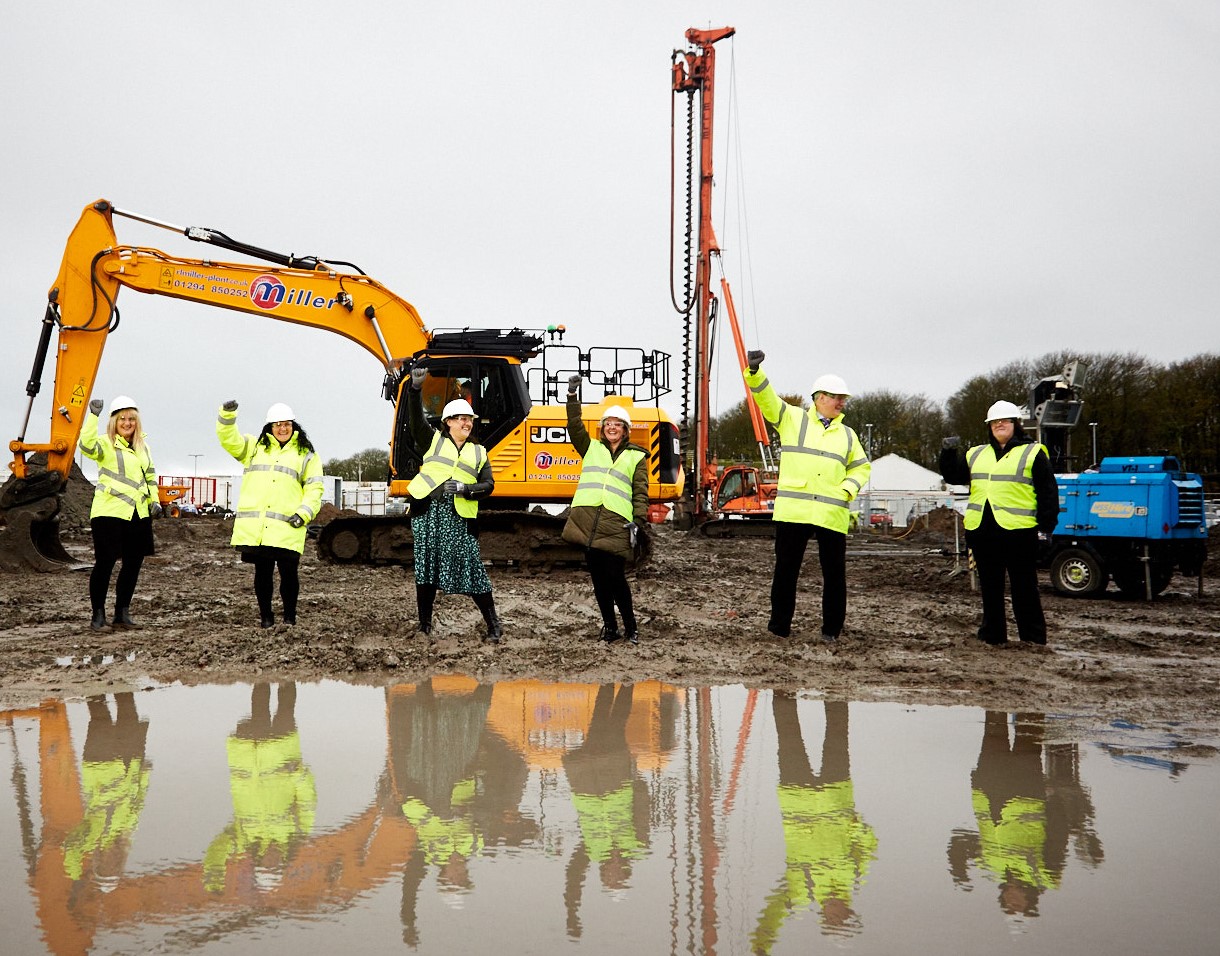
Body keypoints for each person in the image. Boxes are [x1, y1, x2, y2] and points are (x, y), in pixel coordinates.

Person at [743, 351, 871, 641]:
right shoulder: (792, 418)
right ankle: (779, 629)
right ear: (819, 397)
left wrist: (848, 488)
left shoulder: (848, 435)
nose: (841, 402)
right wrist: (754, 373)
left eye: (843, 398)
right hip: (795, 512)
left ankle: (831, 631)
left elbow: (861, 467)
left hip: (831, 514)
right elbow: (766, 399)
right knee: (786, 572)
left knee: (835, 577)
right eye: (836, 397)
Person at [939, 400, 1059, 645]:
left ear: (1016, 423)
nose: (999, 424)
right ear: (989, 426)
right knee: (991, 589)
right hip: (983, 530)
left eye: (1004, 420)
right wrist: (948, 454)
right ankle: (993, 635)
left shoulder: (1033, 452)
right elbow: (954, 477)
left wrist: (1046, 530)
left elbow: (1048, 493)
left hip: (1019, 532)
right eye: (995, 421)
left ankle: (1033, 639)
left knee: (1024, 588)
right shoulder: (976, 453)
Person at [406, 368, 501, 642]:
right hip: (429, 514)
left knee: (473, 570)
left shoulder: (479, 452)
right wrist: (415, 390)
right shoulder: (432, 440)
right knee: (426, 571)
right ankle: (424, 624)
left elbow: (489, 485)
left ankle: (493, 624)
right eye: (460, 419)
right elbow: (415, 420)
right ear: (447, 422)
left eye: (468, 419)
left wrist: (465, 489)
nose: (466, 423)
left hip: (460, 518)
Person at [216, 400, 323, 627]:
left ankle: (289, 619)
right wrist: (227, 415)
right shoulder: (254, 448)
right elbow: (229, 439)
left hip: (288, 526)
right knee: (262, 573)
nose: (282, 429)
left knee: (289, 574)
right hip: (260, 529)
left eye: (286, 424)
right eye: (277, 425)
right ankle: (266, 618)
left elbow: (315, 489)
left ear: (293, 426)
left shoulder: (306, 455)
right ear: (269, 427)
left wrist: (303, 514)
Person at [561, 375, 650, 644]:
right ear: (602, 428)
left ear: (625, 429)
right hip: (589, 523)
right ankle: (610, 628)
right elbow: (574, 426)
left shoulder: (636, 456)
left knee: (617, 580)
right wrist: (572, 397)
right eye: (608, 424)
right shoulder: (591, 448)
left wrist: (639, 521)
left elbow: (640, 491)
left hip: (616, 524)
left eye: (617, 424)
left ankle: (631, 628)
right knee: (599, 582)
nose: (612, 428)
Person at [79, 395, 163, 630]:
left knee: (133, 564)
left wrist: (155, 501)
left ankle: (122, 614)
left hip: (138, 513)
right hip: (109, 512)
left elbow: (150, 477)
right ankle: (98, 616)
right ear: (114, 421)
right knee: (105, 564)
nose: (127, 423)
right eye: (122, 419)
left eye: (132, 419)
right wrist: (92, 416)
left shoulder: (143, 446)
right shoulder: (105, 443)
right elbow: (85, 446)